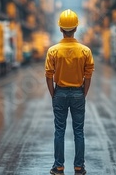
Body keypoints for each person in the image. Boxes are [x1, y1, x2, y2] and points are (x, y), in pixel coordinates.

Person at [45, 9, 95, 175]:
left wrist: (54, 95)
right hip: (78, 93)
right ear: (76, 28)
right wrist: (83, 94)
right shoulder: (85, 51)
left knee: (59, 131)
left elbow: (48, 76)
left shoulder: (53, 51)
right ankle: (79, 167)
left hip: (59, 93)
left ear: (60, 29)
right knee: (78, 131)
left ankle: (59, 167)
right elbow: (88, 76)